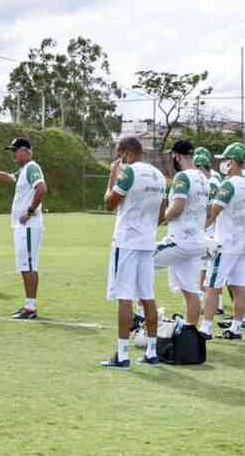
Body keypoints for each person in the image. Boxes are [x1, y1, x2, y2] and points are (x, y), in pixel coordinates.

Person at [100, 137, 165, 368]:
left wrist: (112, 176)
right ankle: (152, 351)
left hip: (126, 241)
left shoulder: (128, 173)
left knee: (124, 296)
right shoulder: (158, 175)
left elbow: (109, 203)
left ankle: (122, 354)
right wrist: (148, 229)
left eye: (120, 155)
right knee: (148, 295)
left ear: (127, 153)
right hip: (147, 241)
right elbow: (162, 212)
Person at [0, 139, 47, 318]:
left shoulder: (32, 167)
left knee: (29, 265)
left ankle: (31, 307)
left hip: (29, 225)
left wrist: (30, 211)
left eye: (16, 151)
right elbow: (8, 177)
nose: (13, 154)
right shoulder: (25, 170)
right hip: (23, 226)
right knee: (25, 265)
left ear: (26, 151)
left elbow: (41, 189)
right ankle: (28, 305)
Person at [154, 140, 208, 328]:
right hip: (197, 241)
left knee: (141, 262)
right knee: (190, 290)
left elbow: (177, 208)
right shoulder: (203, 178)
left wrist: (160, 220)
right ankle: (190, 333)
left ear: (177, 156)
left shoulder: (182, 177)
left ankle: (144, 315)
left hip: (181, 240)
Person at [203, 142, 245, 340]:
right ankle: (236, 328)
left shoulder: (228, 185)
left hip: (225, 242)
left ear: (233, 162)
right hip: (242, 243)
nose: (223, 164)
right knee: (239, 287)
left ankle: (206, 328)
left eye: (226, 160)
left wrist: (199, 229)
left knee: (212, 286)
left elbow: (213, 213)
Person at [193, 147, 225, 315]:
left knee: (206, 271)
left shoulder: (211, 182)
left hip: (211, 232)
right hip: (216, 231)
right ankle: (216, 304)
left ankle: (204, 304)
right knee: (213, 272)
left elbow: (210, 209)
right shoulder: (216, 179)